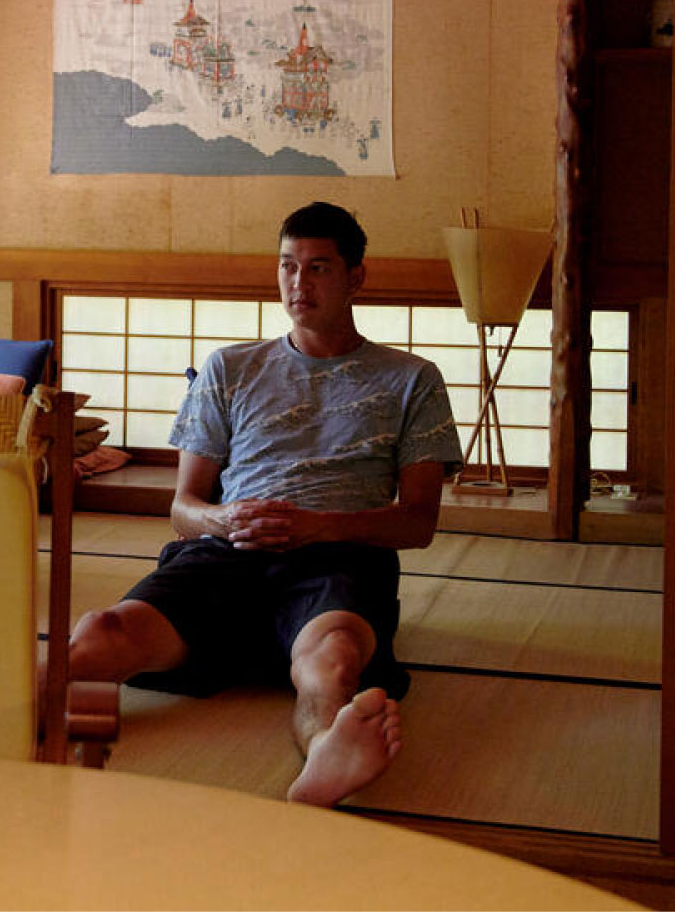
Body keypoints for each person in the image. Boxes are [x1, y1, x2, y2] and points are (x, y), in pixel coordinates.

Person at [68, 201, 463, 807]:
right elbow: (184, 507)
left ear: (357, 277)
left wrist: (319, 526)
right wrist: (222, 518)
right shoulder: (231, 367)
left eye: (319, 268)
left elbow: (417, 523)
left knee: (330, 665)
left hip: (339, 559)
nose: (298, 284)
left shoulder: (410, 378)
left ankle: (326, 759)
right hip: (228, 552)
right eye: (288, 266)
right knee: (100, 633)